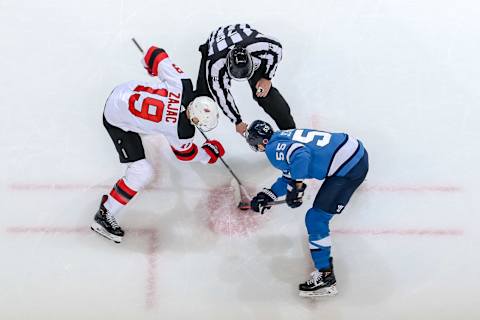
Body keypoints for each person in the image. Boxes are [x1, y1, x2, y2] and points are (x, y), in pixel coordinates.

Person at [91, 46, 225, 243]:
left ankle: (111, 202)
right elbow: (185, 155)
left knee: (150, 127)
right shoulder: (182, 132)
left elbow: (154, 53)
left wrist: (150, 66)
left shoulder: (183, 84)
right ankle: (104, 215)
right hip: (115, 118)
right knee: (141, 172)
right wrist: (208, 154)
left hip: (123, 91)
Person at [246, 120, 369, 297]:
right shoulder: (282, 135)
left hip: (349, 170)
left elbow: (300, 155)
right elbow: (291, 169)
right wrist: (268, 194)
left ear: (263, 141)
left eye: (255, 144)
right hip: (356, 150)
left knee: (315, 218)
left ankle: (326, 276)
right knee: (316, 211)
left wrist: (297, 186)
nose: (256, 148)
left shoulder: (272, 150)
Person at [195, 24, 296, 135]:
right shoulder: (215, 66)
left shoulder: (259, 46)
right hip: (215, 44)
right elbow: (220, 94)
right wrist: (237, 120)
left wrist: (267, 77)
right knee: (204, 97)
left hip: (245, 35)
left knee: (264, 93)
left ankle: (289, 130)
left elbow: (277, 49)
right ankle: (190, 116)